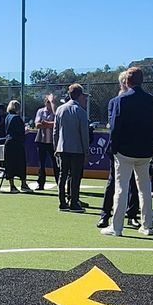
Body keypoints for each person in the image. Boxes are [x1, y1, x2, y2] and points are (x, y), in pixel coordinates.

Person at [101, 66, 153, 237]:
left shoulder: (121, 100)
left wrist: (114, 147)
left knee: (121, 188)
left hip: (125, 151)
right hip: (145, 151)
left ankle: (117, 227)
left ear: (127, 81)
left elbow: (115, 127)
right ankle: (148, 226)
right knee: (144, 189)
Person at [53, 83, 91, 212]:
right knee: (75, 176)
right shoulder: (81, 111)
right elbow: (84, 134)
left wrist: (56, 148)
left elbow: (55, 132)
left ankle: (62, 202)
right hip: (77, 149)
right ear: (79, 96)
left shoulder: (60, 109)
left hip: (62, 148)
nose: (85, 99)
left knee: (62, 175)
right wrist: (86, 151)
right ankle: (74, 202)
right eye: (83, 96)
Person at [1, 99, 31, 192]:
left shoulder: (7, 117)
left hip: (8, 142)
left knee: (10, 164)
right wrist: (26, 131)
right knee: (21, 163)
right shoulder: (17, 118)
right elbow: (20, 132)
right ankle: (23, 184)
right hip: (17, 143)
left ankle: (12, 186)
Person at [33, 92, 57, 191]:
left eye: (50, 102)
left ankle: (59, 183)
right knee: (41, 164)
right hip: (41, 140)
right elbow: (37, 124)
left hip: (53, 142)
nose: (49, 103)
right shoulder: (40, 111)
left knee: (56, 164)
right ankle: (40, 183)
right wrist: (49, 124)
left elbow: (57, 124)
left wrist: (45, 123)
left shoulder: (56, 112)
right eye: (47, 102)